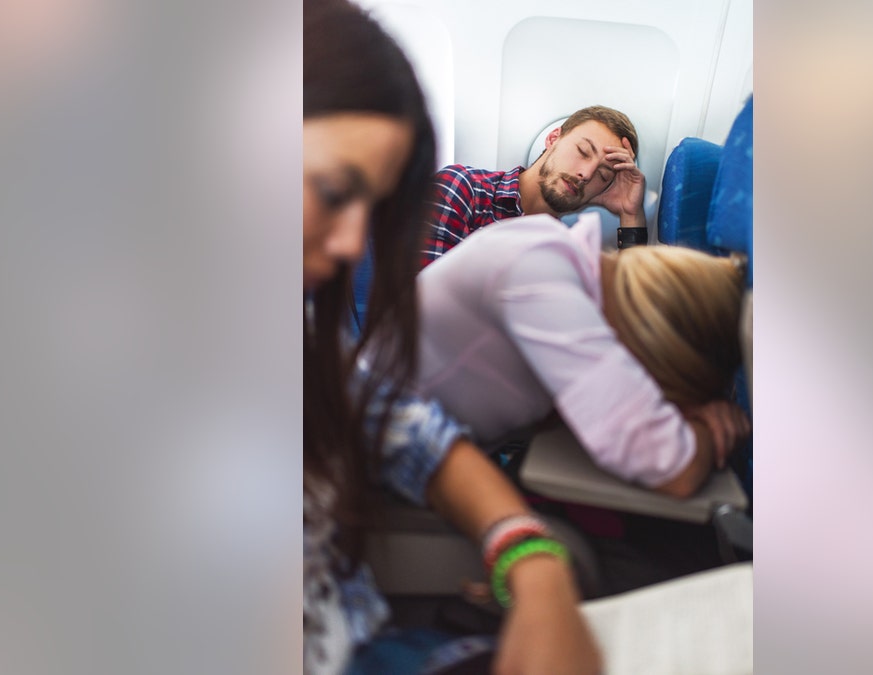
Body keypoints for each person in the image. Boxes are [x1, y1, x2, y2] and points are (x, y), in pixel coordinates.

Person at [303, 2, 601, 673]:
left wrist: (531, 556)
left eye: (371, 207)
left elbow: (401, 427)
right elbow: (418, 304)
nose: (355, 243)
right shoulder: (467, 191)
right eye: (330, 189)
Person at [412, 211, 751, 499]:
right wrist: (714, 428)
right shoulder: (537, 271)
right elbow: (671, 467)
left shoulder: (563, 260)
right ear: (658, 354)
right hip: (382, 471)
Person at [420, 105, 647, 267]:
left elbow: (635, 318)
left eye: (603, 175)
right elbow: (421, 302)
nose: (585, 174)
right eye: (583, 152)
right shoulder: (464, 189)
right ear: (553, 138)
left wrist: (630, 214)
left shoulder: (568, 253)